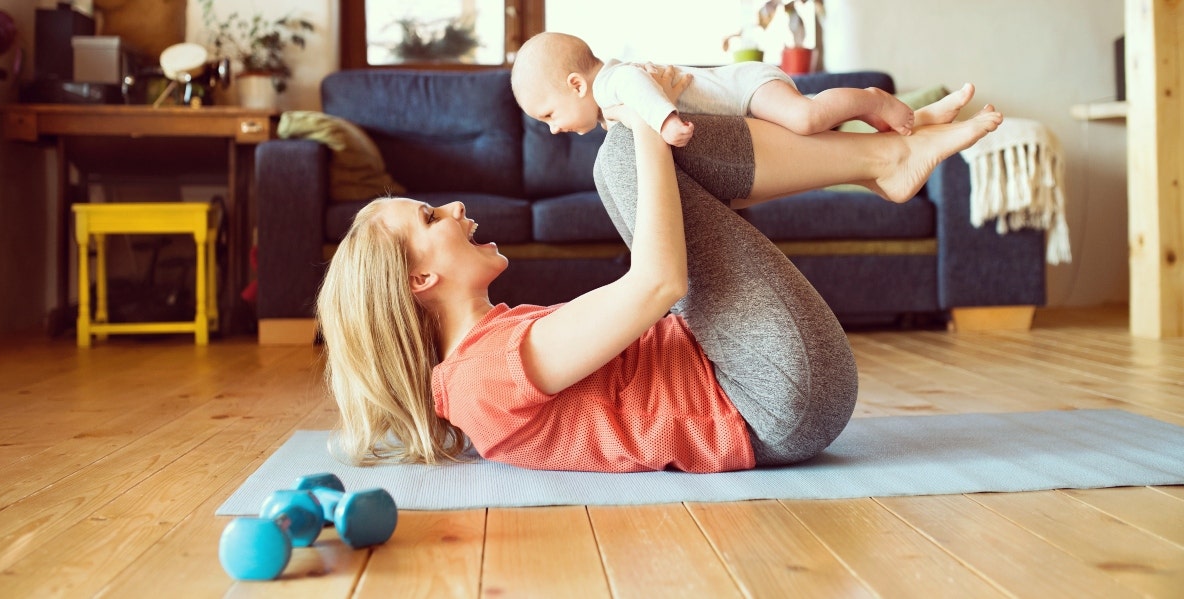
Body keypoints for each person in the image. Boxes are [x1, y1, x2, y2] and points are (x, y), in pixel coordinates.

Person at [317, 64, 1003, 472]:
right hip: (771, 397)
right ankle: (882, 160)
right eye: (431, 219)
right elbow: (659, 284)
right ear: (419, 282)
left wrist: (654, 119)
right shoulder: (478, 378)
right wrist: (645, 117)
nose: (455, 205)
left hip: (769, 382)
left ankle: (883, 159)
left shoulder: (486, 356)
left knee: (645, 148)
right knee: (623, 152)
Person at [510, 32, 966, 149]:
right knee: (810, 139)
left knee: (805, 118)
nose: (552, 130)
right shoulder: (606, 110)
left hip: (745, 89)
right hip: (742, 105)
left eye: (549, 115)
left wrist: (665, 121)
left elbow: (635, 82)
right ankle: (892, 120)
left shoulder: (612, 82)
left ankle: (872, 98)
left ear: (577, 84)